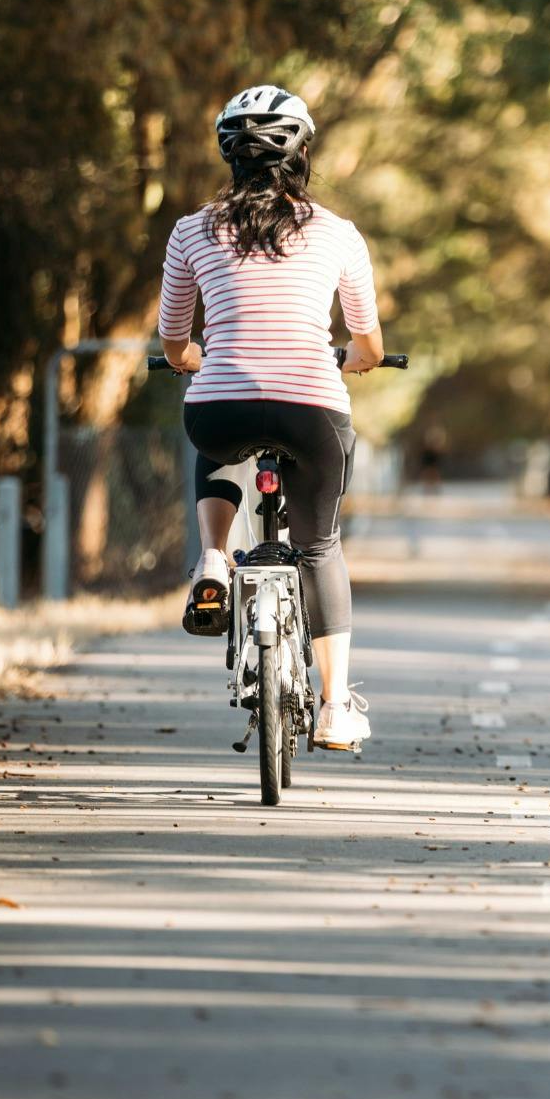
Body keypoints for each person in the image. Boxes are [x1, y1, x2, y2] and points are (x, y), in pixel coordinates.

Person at [158, 84, 383, 752]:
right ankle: (335, 707)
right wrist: (356, 361)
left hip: (220, 408)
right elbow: (368, 343)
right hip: (312, 407)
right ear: (303, 154)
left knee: (216, 424)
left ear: (228, 157)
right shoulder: (337, 232)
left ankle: (213, 559)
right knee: (319, 547)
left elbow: (175, 342)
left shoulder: (190, 231)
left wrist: (198, 359)